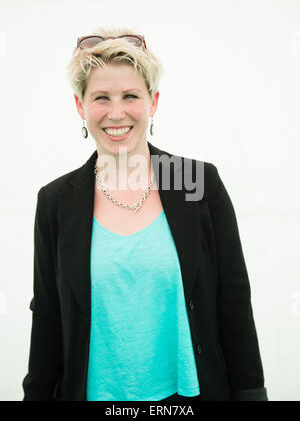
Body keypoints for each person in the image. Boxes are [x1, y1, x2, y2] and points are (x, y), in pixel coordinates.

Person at [22, 26, 268, 402]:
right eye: (101, 97)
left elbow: (233, 303)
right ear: (80, 106)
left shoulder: (196, 182)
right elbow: (49, 320)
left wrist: (251, 393)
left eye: (130, 96)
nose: (116, 112)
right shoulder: (56, 201)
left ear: (153, 102)